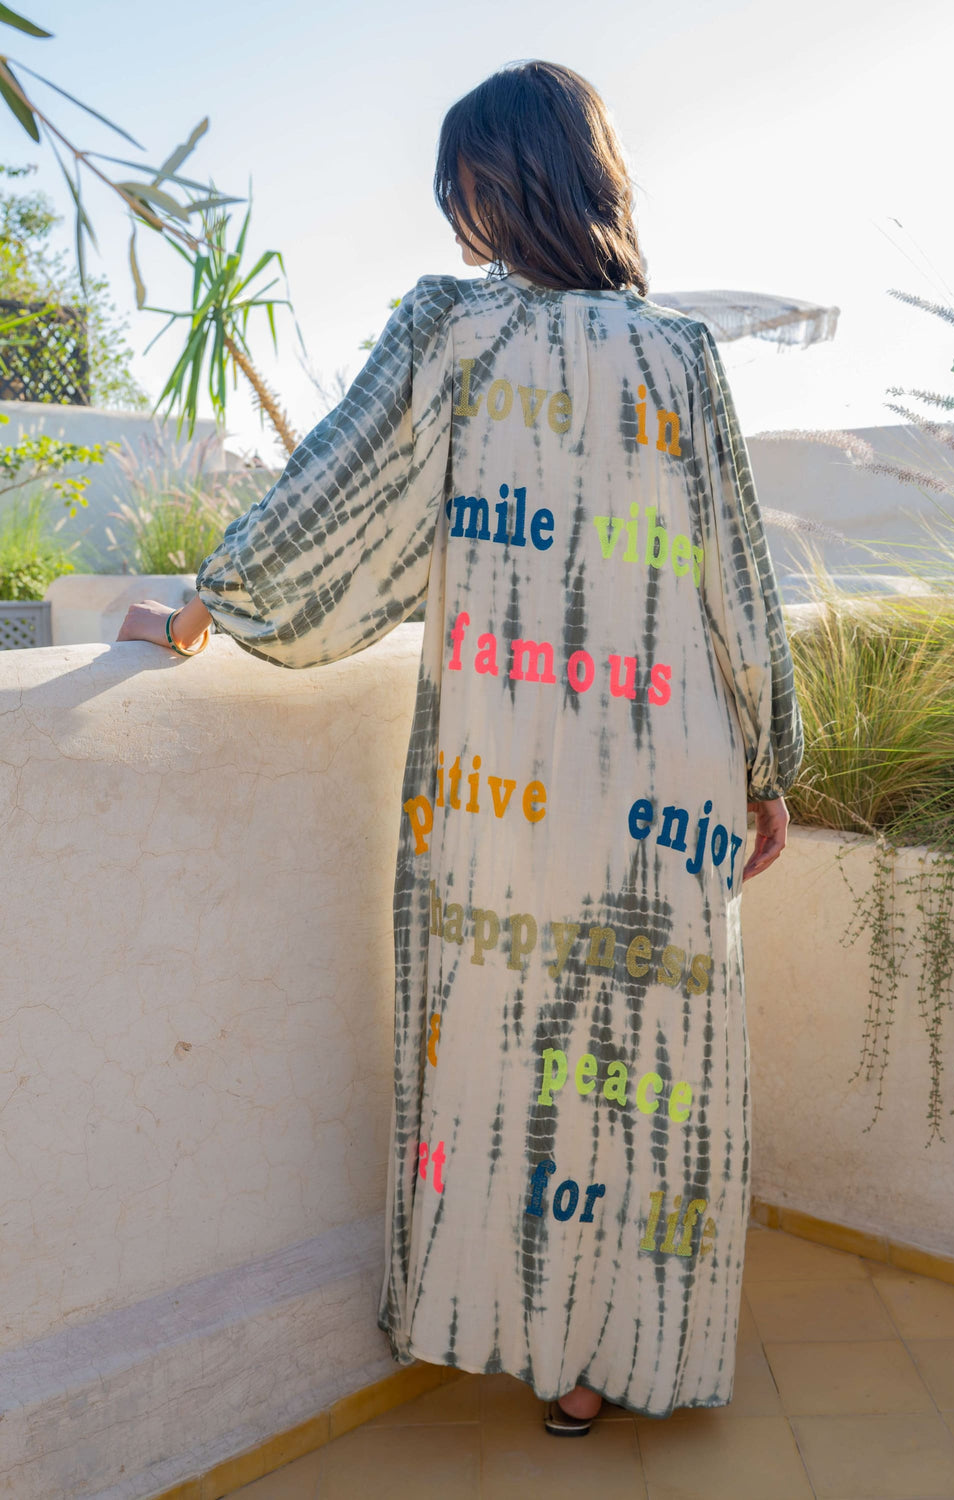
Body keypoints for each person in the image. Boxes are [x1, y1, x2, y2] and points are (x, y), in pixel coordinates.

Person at [118, 59, 802, 1435]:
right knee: (640, 1064)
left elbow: (333, 498)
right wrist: (766, 764)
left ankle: (535, 1339)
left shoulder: (450, 330)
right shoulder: (682, 354)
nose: (457, 211)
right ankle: (620, 1359)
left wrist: (206, 603)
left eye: (465, 184)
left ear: (502, 183)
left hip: (507, 788)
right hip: (669, 783)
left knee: (512, 1058)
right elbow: (737, 580)